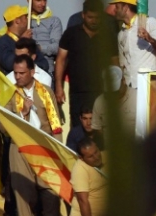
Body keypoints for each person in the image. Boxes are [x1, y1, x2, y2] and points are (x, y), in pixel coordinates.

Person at [4, 54, 63, 216]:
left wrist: (58, 152)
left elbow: (55, 124)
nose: (17, 77)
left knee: (51, 194)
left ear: (32, 72)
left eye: (22, 73)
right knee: (24, 196)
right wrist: (23, 113)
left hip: (44, 147)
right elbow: (3, 128)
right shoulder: (10, 93)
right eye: (15, 73)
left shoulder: (46, 91)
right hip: (19, 147)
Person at [55, 0, 117, 128]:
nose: (93, 21)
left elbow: (115, 63)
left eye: (97, 18)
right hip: (78, 91)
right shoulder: (71, 34)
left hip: (102, 91)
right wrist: (59, 87)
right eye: (90, 17)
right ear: (83, 15)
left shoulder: (108, 36)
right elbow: (61, 60)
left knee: (101, 128)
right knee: (78, 128)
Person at [111, 0, 156, 86]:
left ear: (125, 7)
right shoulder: (121, 34)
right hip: (129, 86)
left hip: (146, 85)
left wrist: (150, 39)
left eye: (117, 7)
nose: (114, 10)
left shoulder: (149, 23)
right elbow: (122, 63)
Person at [69, 137, 107, 216]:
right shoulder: (79, 170)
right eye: (90, 156)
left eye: (96, 152)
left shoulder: (107, 156)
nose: (96, 157)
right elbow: (83, 201)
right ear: (82, 158)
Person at [0, 5, 49, 75]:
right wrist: (21, 43)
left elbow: (44, 64)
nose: (28, 20)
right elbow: (9, 64)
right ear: (17, 21)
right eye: (25, 18)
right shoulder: (1, 42)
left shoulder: (29, 42)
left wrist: (29, 67)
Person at [91, 66, 137, 142]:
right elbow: (97, 127)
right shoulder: (99, 102)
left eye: (116, 89)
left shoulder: (138, 97)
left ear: (124, 80)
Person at [29, 0, 63, 76]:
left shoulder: (54, 21)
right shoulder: (24, 21)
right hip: (27, 71)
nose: (43, 4)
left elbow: (57, 47)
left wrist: (39, 48)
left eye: (45, 0)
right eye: (39, 0)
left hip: (47, 71)